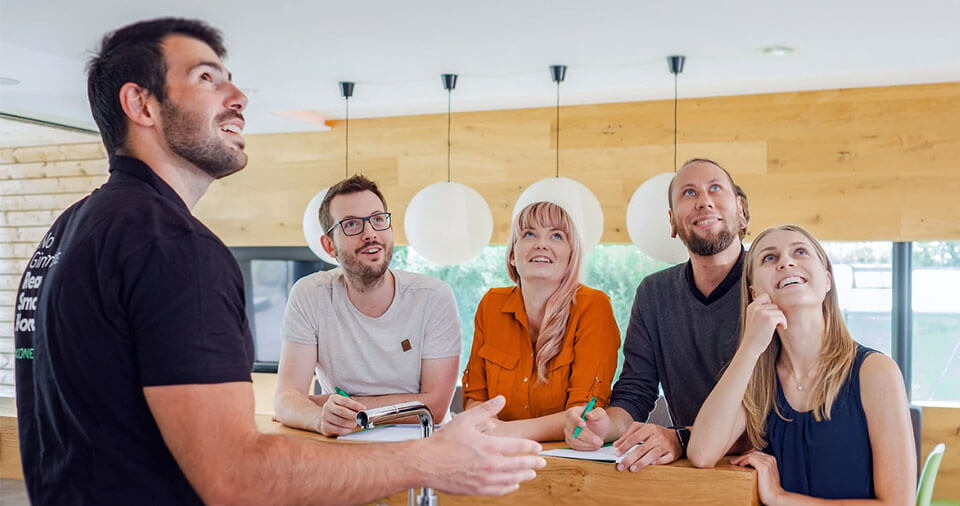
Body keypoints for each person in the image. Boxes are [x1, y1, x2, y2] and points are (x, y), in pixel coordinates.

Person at [13, 17, 543, 505]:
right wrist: (426, 461)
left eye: (230, 79)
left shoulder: (70, 230)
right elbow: (237, 477)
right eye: (206, 78)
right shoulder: (174, 247)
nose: (239, 97)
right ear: (141, 105)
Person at [688, 225, 915, 504]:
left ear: (827, 280)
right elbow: (702, 454)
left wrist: (780, 498)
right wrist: (749, 348)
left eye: (800, 252)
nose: (786, 262)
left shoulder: (876, 372)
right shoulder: (758, 380)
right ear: (754, 292)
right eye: (769, 258)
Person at [564, 158, 750, 471]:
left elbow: (785, 409)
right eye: (689, 193)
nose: (704, 201)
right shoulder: (654, 294)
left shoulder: (772, 284)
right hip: (691, 474)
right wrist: (603, 426)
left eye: (715, 188)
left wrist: (683, 438)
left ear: (741, 211)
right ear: (672, 223)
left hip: (772, 471)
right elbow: (635, 392)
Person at [273, 175, 461, 436]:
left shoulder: (433, 297)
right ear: (329, 246)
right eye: (351, 224)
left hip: (422, 443)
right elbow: (286, 399)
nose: (370, 233)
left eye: (378, 219)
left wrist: (341, 406)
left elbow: (435, 407)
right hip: (343, 443)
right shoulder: (309, 295)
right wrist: (318, 417)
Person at [461, 201, 621, 441]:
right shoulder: (491, 305)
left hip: (565, 458)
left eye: (556, 236)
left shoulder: (593, 306)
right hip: (495, 452)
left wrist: (505, 431)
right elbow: (475, 399)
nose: (541, 244)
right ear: (512, 255)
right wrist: (490, 429)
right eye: (529, 234)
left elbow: (583, 415)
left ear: (571, 257)